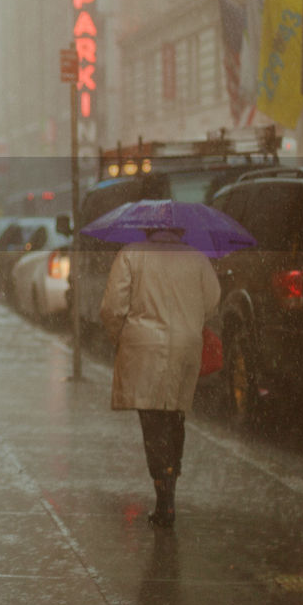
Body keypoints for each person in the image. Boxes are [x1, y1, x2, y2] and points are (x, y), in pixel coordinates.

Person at [101, 226, 220, 528]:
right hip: (185, 346)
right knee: (174, 416)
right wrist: (189, 322)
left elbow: (113, 306)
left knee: (152, 422)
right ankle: (170, 490)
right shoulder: (197, 259)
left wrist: (121, 337)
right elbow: (212, 301)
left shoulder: (131, 255)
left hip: (144, 348)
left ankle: (162, 495)